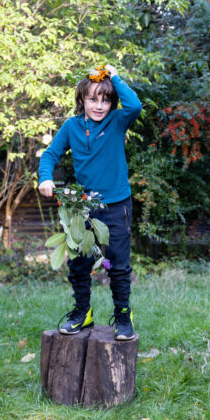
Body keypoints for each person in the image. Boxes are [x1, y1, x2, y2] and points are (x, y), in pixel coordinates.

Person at [38, 64, 142, 341]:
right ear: (81, 99)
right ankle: (82, 312)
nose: (99, 105)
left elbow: (135, 105)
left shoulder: (118, 121)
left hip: (116, 205)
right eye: (92, 98)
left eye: (105, 99)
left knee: (118, 264)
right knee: (80, 263)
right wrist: (46, 179)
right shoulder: (72, 127)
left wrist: (115, 76)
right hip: (83, 206)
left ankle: (123, 315)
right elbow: (49, 156)